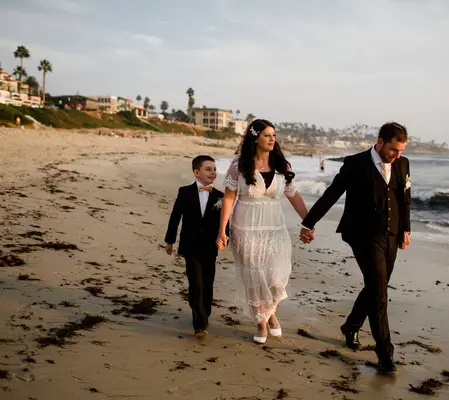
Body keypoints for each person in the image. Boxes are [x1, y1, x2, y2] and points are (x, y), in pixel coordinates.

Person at [299, 122, 411, 376]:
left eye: (401, 150)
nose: (398, 155)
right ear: (380, 142)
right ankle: (385, 355)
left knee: (376, 286)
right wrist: (308, 222)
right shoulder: (355, 164)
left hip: (391, 234)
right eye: (394, 150)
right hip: (363, 235)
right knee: (380, 294)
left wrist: (406, 230)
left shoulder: (403, 164)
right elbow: (332, 193)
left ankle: (351, 326)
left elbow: (405, 198)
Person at [217, 119, 311, 344]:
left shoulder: (281, 164)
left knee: (277, 275)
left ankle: (269, 312)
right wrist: (222, 230)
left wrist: (308, 222)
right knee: (254, 277)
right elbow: (229, 197)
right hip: (246, 225)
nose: (272, 139)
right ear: (255, 137)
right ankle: (262, 322)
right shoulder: (239, 164)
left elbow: (293, 195)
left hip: (274, 226)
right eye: (267, 135)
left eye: (273, 135)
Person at [164, 155, 226, 338]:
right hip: (190, 246)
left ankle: (205, 312)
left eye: (214, 169)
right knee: (196, 284)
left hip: (210, 246)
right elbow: (175, 218)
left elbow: (225, 222)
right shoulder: (184, 192)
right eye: (208, 169)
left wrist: (225, 238)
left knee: (208, 283)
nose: (213, 173)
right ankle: (199, 323)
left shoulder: (220, 196)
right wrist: (170, 241)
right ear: (196, 172)